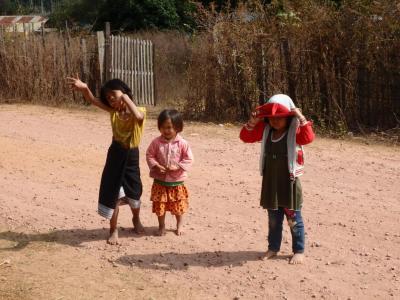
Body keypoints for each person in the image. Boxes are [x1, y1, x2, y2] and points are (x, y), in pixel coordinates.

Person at [67, 75, 146, 245]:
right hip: (116, 155)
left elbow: (139, 117)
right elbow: (93, 100)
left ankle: (136, 219)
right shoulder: (113, 112)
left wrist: (125, 97)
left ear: (124, 93)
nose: (110, 98)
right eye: (108, 97)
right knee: (114, 194)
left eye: (113, 94)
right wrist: (85, 88)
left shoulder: (139, 111)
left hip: (131, 156)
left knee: (134, 193)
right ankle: (113, 229)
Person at [240, 94, 315, 264]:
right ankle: (273, 248)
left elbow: (309, 137)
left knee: (294, 220)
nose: (275, 121)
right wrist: (253, 121)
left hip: (289, 185)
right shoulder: (266, 130)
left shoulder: (294, 131)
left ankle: (299, 250)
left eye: (280, 118)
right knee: (274, 221)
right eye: (272, 118)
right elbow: (245, 137)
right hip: (271, 184)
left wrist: (300, 117)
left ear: (289, 118)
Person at [146, 109, 194, 236]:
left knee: (178, 205)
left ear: (178, 127)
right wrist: (155, 165)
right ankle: (161, 226)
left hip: (176, 181)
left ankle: (179, 225)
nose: (166, 130)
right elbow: (149, 155)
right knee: (160, 205)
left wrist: (178, 166)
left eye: (169, 127)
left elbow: (189, 158)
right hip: (160, 181)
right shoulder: (156, 142)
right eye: (162, 127)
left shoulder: (183, 143)